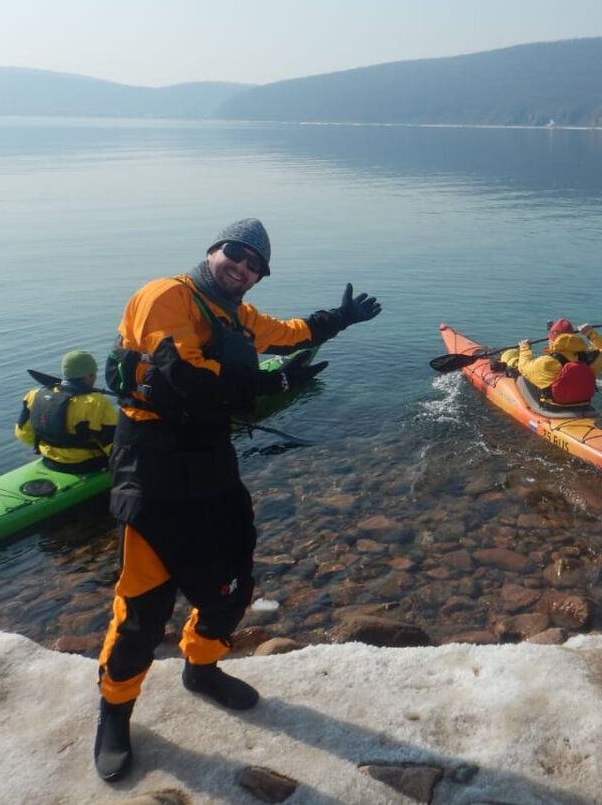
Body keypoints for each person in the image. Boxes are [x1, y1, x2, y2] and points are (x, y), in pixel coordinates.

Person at [92, 218, 381, 783]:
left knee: (231, 578)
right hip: (152, 459)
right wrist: (272, 386)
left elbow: (288, 331)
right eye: (236, 254)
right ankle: (115, 714)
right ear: (213, 250)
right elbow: (183, 379)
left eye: (255, 265)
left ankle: (201, 668)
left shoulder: (237, 314)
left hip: (209, 455)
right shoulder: (167, 297)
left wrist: (338, 320)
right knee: (144, 604)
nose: (242, 267)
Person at [14, 350, 117, 474]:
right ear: (90, 375)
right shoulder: (95, 402)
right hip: (88, 464)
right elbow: (116, 444)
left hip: (50, 460)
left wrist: (55, 449)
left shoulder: (33, 396)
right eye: (94, 374)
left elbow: (23, 434)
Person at [498, 318, 602, 407]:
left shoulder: (547, 362)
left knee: (518, 371)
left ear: (552, 340)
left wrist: (525, 348)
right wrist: (590, 333)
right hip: (582, 404)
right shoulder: (591, 358)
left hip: (554, 407)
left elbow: (524, 367)